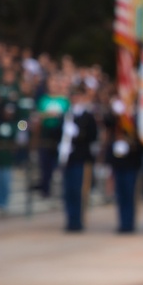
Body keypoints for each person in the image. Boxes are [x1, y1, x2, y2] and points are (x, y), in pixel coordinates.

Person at [58, 85, 98, 232]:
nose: (75, 99)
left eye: (77, 97)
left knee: (78, 190)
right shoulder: (67, 115)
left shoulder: (87, 116)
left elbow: (92, 136)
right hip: (68, 158)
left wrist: (78, 133)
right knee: (68, 191)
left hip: (81, 158)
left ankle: (78, 220)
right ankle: (70, 220)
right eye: (73, 97)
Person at [104, 93, 141, 233]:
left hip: (131, 161)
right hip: (118, 162)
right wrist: (114, 111)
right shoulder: (116, 116)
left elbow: (140, 138)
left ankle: (129, 223)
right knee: (120, 194)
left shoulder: (136, 117)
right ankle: (122, 223)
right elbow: (107, 122)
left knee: (130, 193)